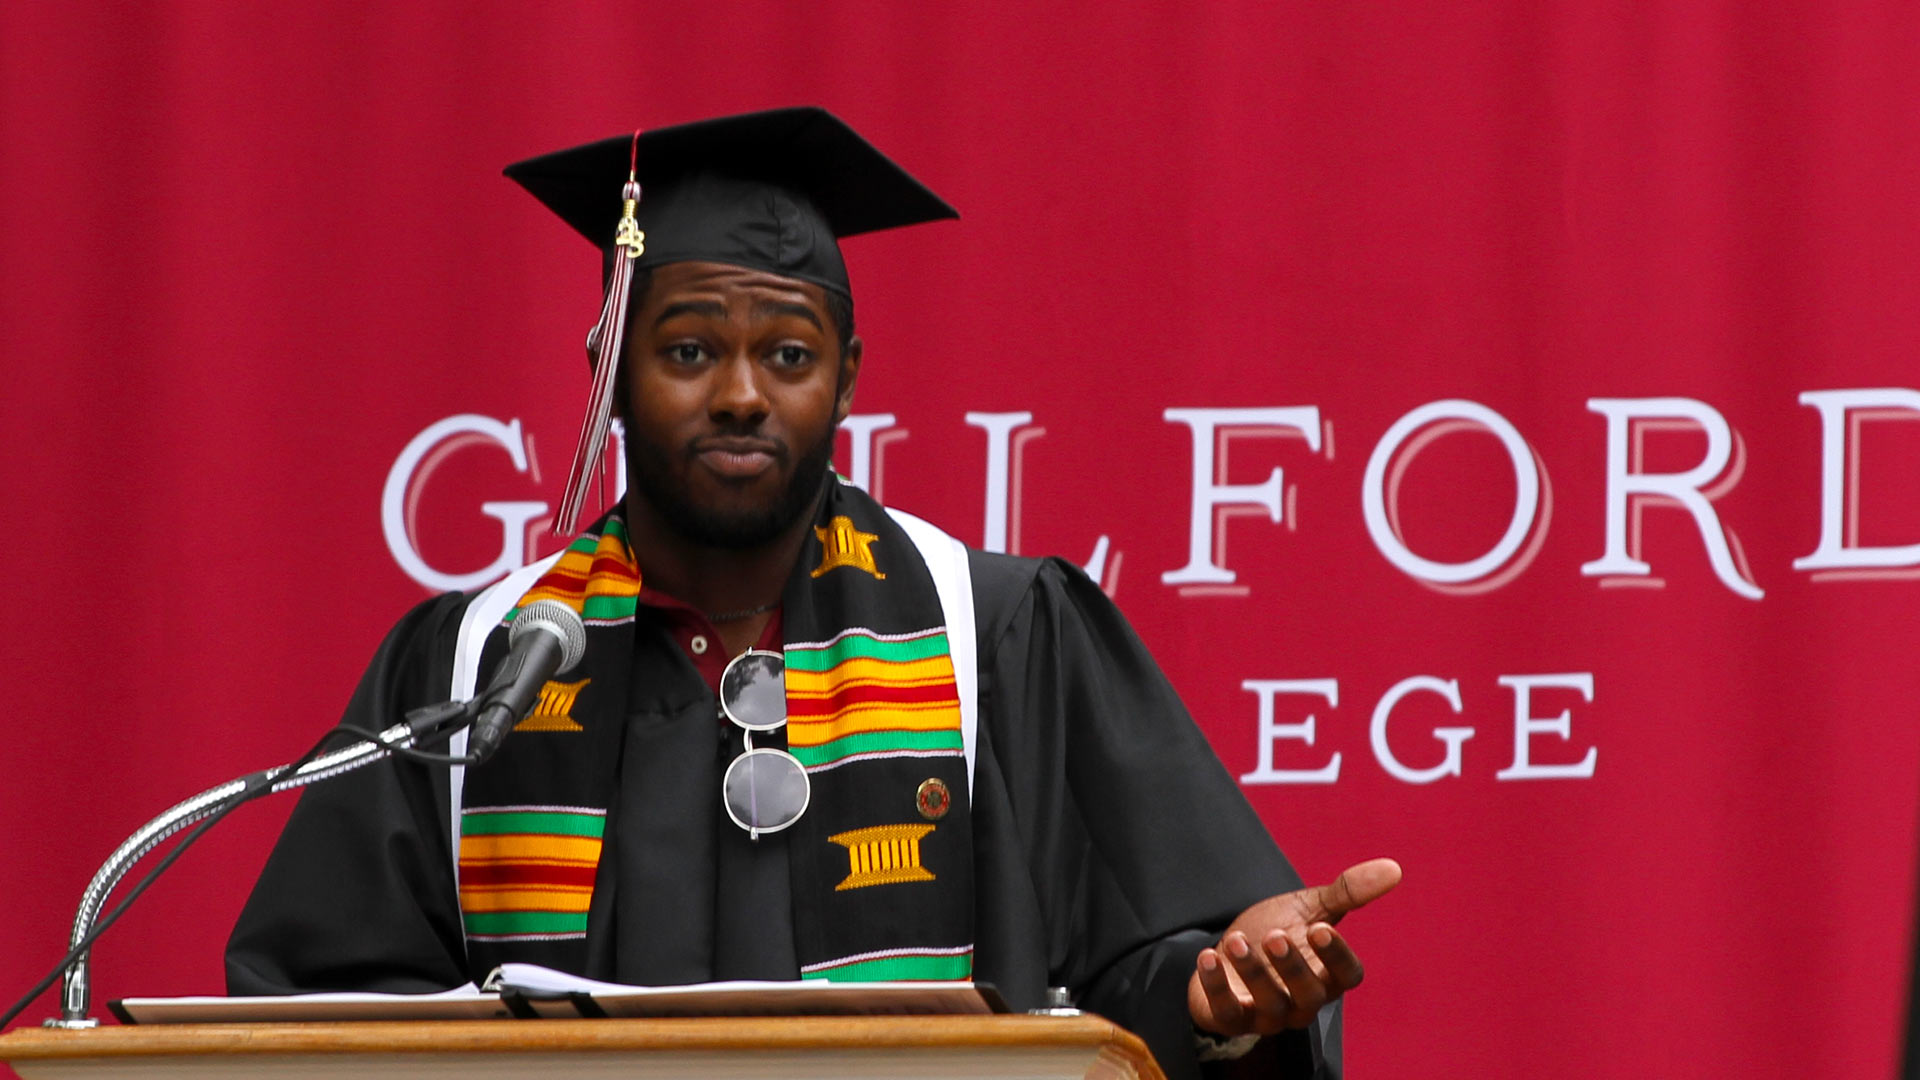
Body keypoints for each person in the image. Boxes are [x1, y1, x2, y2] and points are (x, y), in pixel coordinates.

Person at [226, 107, 1399, 1080]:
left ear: (847, 377)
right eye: (688, 352)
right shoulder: (480, 667)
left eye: (788, 355)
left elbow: (1141, 988)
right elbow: (327, 1016)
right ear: (609, 372)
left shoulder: (1000, 638)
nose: (741, 395)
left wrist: (1221, 1001)